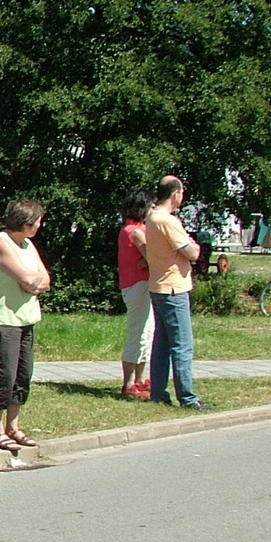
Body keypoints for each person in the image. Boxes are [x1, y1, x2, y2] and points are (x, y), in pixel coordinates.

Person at [0, 199, 51, 451]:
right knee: (5, 375)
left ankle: (14, 426)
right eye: (37, 221)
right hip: (5, 320)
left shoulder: (28, 244)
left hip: (27, 318)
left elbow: (44, 279)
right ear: (25, 223)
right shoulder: (1, 242)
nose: (39, 225)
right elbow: (26, 279)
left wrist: (35, 282)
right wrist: (33, 282)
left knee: (23, 375)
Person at [144, 175, 205, 410]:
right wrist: (194, 246)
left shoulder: (151, 217)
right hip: (172, 288)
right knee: (182, 344)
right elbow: (191, 252)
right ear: (175, 194)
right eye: (181, 192)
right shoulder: (167, 221)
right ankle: (187, 397)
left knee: (162, 343)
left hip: (158, 285)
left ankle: (158, 392)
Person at [118, 189, 153, 399]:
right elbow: (154, 255)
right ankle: (129, 382)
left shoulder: (136, 229)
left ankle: (139, 379)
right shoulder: (135, 231)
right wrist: (149, 258)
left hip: (142, 284)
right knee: (138, 333)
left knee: (147, 333)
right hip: (137, 285)